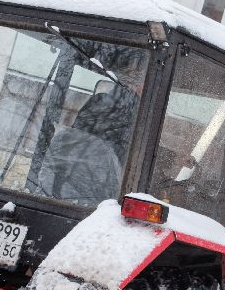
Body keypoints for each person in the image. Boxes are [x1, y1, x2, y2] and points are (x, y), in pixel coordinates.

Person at [33, 45, 148, 206]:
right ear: (141, 87)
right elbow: (132, 161)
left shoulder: (97, 103)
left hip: (53, 195)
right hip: (100, 205)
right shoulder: (139, 116)